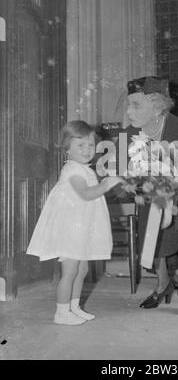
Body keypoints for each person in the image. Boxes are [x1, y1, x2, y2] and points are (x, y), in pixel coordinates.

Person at [123, 76, 178, 316]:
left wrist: (174, 185)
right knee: (153, 228)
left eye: (136, 105)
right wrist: (137, 183)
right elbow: (122, 170)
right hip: (151, 198)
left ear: (157, 105)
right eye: (128, 105)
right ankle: (161, 285)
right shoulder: (129, 132)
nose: (129, 111)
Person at [26, 120, 123, 325]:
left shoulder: (85, 169)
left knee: (82, 270)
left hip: (82, 227)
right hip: (70, 229)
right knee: (69, 271)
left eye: (90, 145)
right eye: (81, 145)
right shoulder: (72, 170)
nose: (87, 149)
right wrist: (106, 184)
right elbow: (86, 194)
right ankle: (61, 313)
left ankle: (74, 307)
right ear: (67, 148)